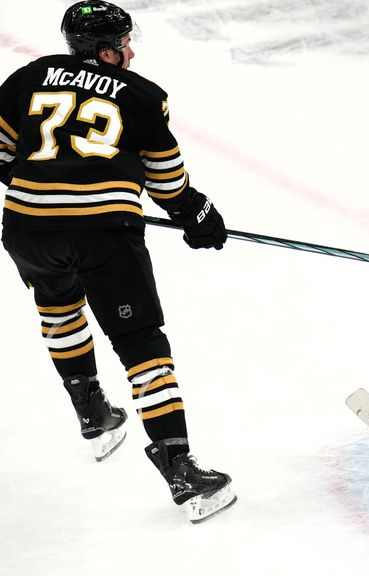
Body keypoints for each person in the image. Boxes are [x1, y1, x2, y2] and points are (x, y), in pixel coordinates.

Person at [0, 1, 235, 523]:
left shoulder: (25, 78)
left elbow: (0, 154)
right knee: (141, 345)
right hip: (104, 235)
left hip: (27, 227)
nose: (130, 51)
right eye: (125, 42)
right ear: (107, 50)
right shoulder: (144, 96)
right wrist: (197, 213)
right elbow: (166, 180)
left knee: (58, 306)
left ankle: (93, 413)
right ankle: (180, 470)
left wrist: (45, 184)